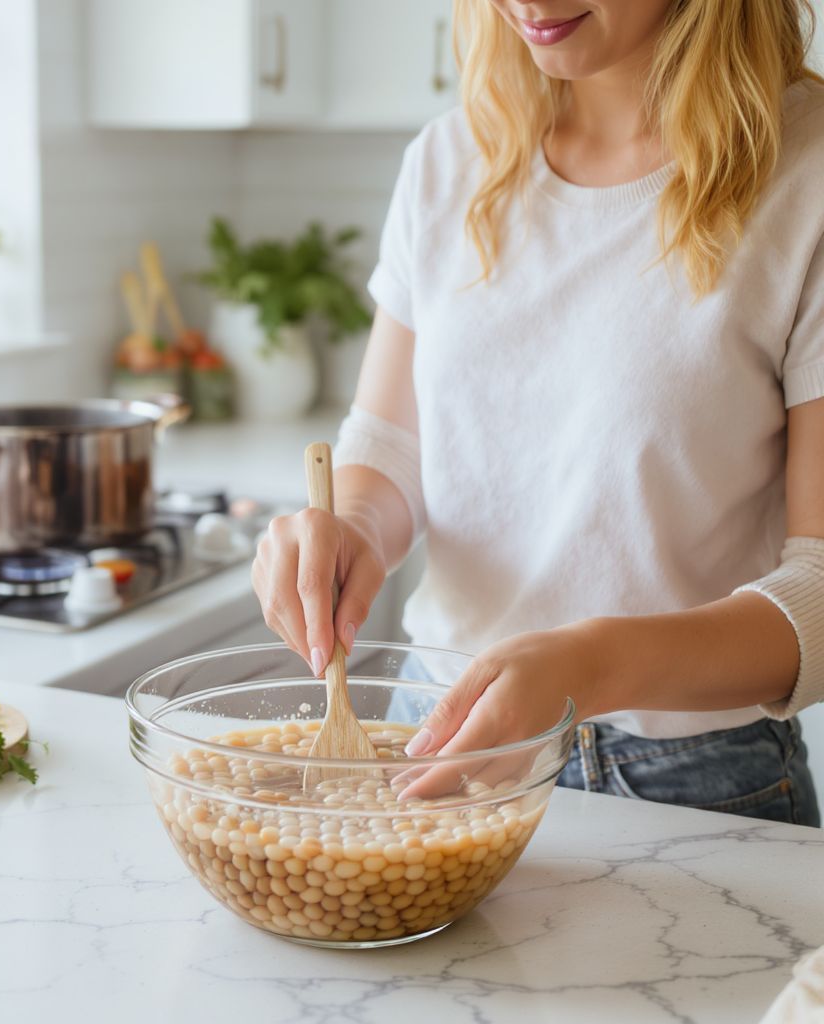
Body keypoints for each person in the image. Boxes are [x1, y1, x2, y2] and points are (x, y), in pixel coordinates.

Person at [251, 0, 824, 825]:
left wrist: (595, 665)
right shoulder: (449, 158)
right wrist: (350, 530)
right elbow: (391, 451)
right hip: (432, 737)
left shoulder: (804, 170)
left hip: (691, 781)